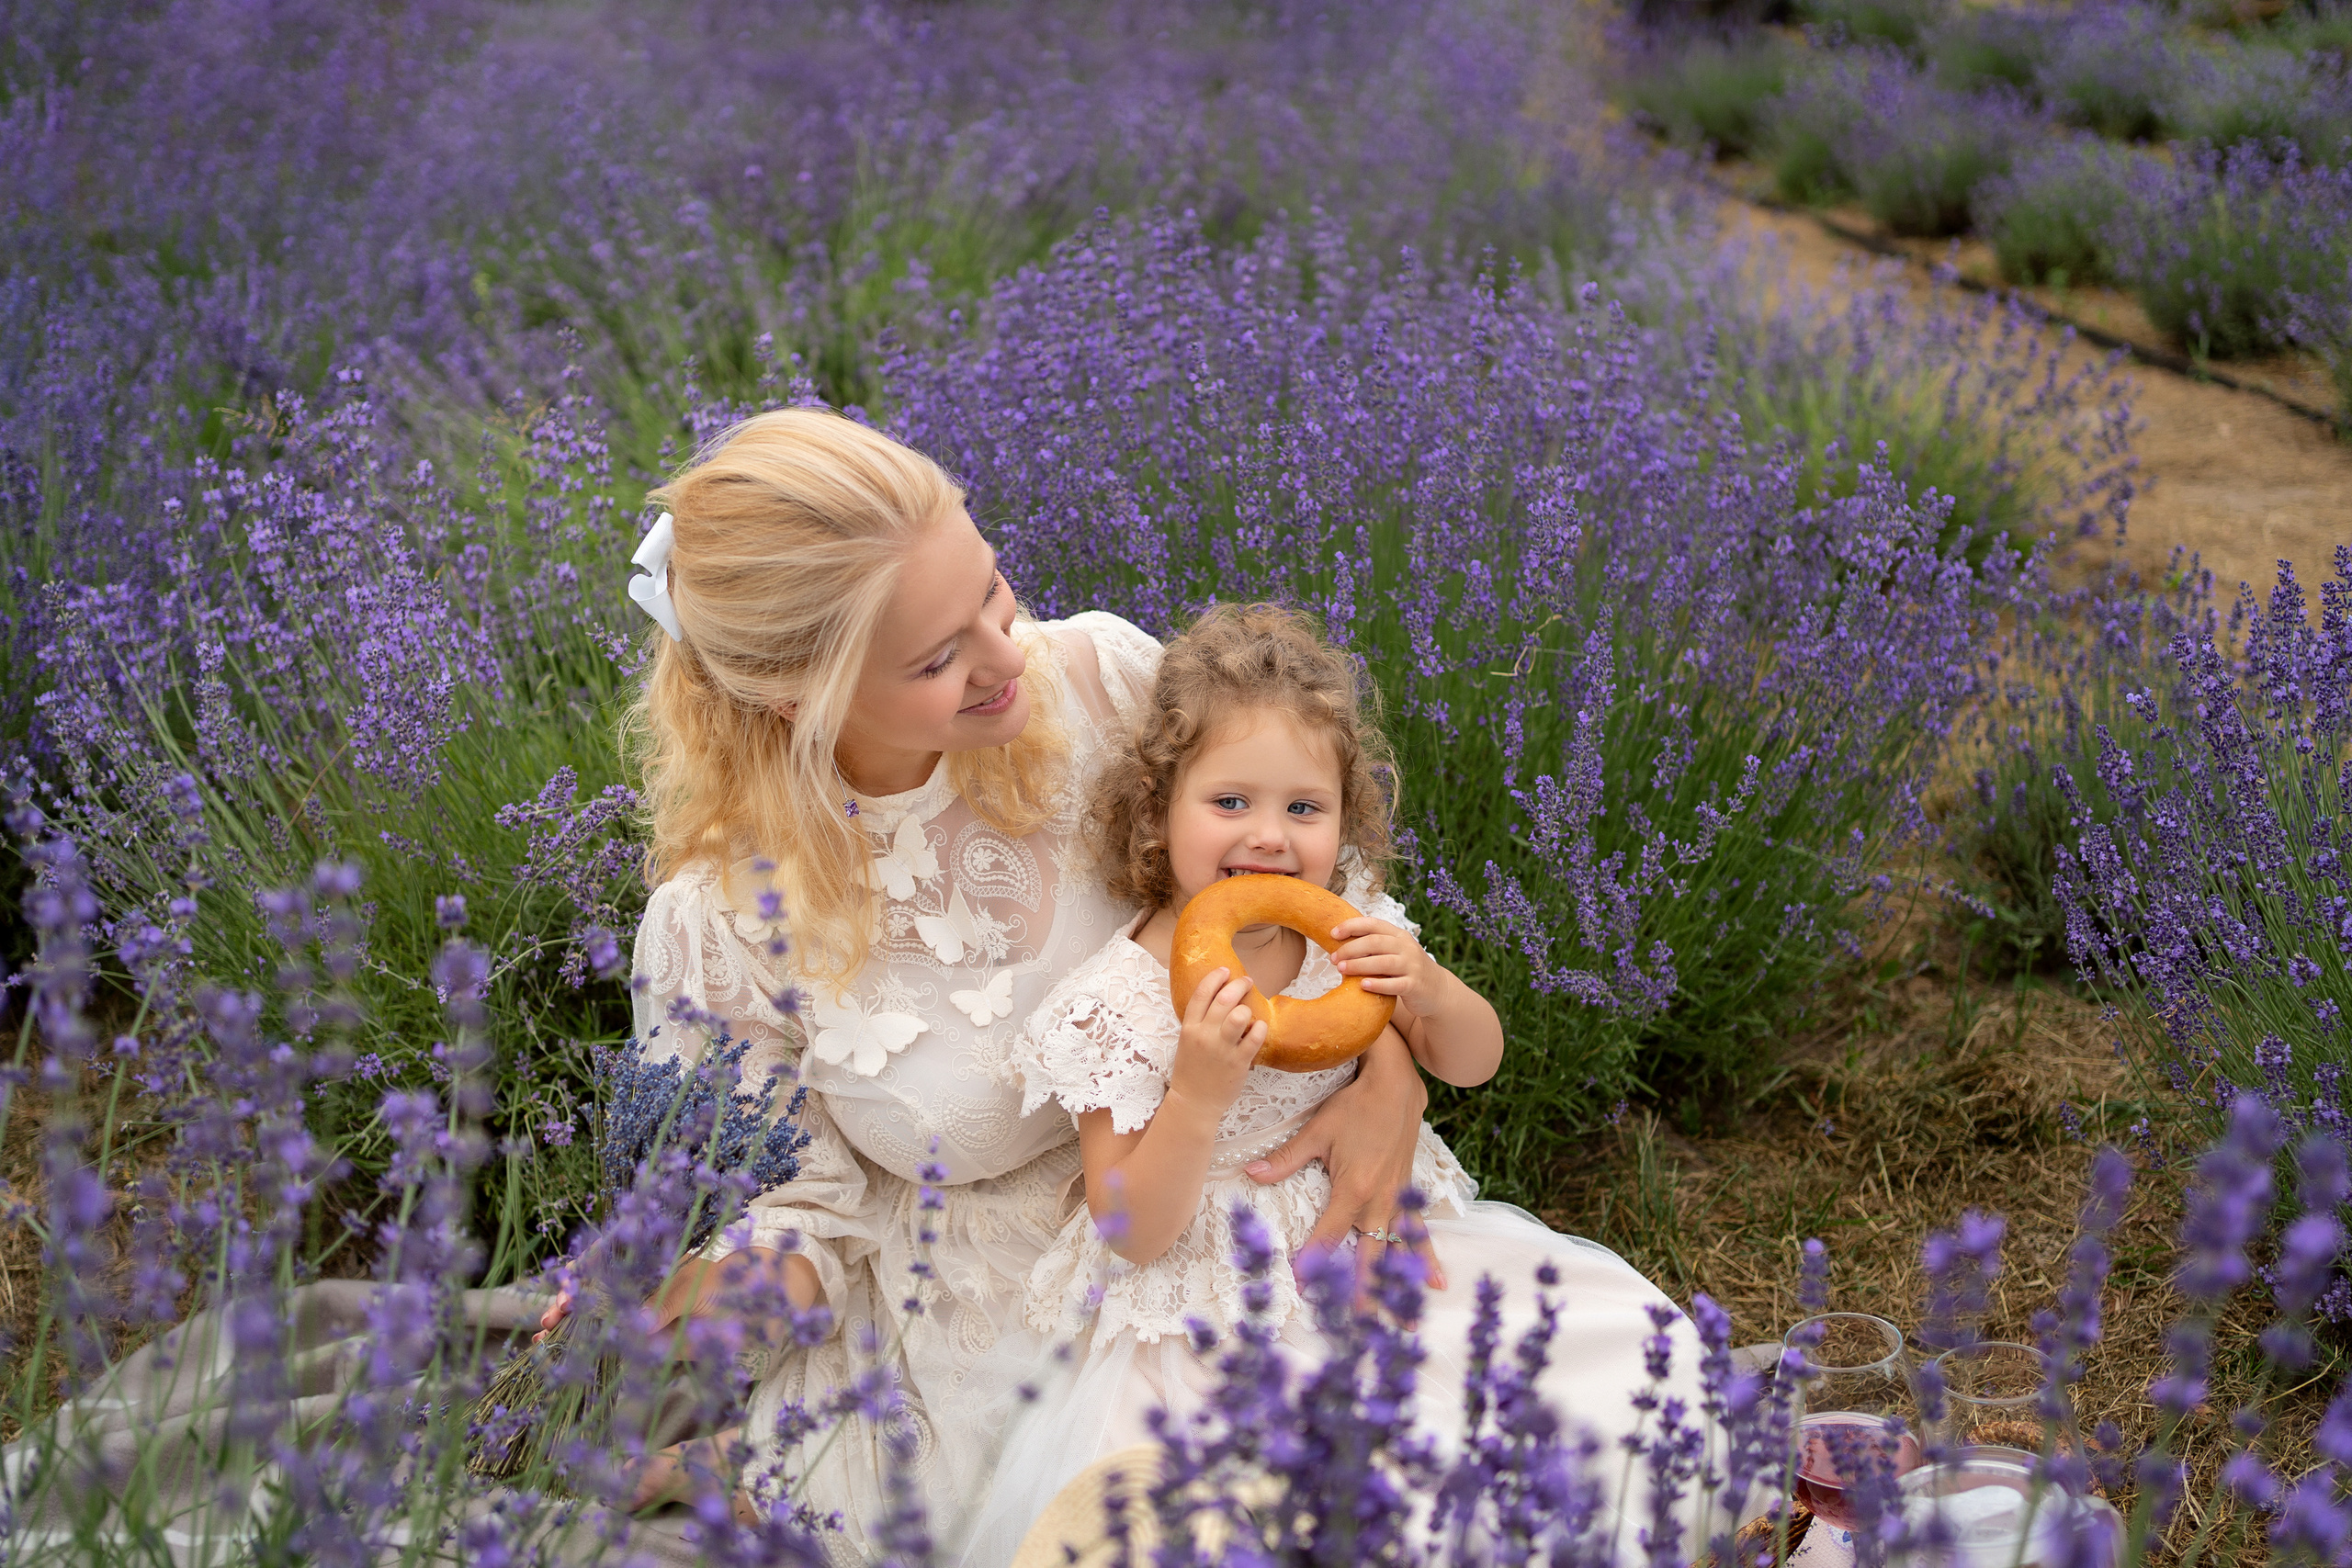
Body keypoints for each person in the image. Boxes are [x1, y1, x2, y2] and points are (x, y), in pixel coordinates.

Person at [582, 407, 1445, 1560]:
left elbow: (1317, 895)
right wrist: (700, 1299)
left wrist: (1389, 1072)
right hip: (988, 1327)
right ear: (798, 696)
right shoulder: (727, 921)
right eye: (938, 660)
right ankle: (742, 1467)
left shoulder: (1101, 680)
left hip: (1242, 1213)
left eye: (991, 590)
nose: (1006, 657)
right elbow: (797, 1210)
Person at [963, 603, 1724, 1565]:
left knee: (1610, 1361)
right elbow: (1129, 1230)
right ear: (1156, 810)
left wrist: (1431, 990)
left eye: (1304, 808)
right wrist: (1197, 1095)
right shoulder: (1116, 1003)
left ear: (1345, 816)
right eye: (1229, 801)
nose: (1269, 836)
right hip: (1215, 1313)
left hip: (1381, 1250)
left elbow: (1475, 1062)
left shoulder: (1352, 931)